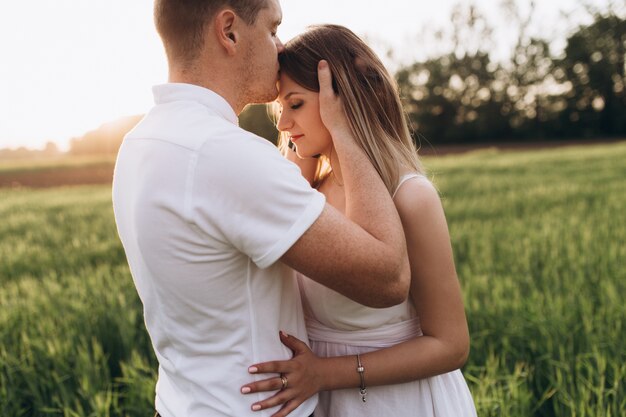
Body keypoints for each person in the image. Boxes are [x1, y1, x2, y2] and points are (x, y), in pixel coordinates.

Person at [112, 1, 412, 416]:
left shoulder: (139, 144)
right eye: (273, 29)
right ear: (229, 31)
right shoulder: (224, 154)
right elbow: (388, 278)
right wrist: (343, 129)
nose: (281, 45)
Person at [240, 25, 477, 417]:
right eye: (280, 108)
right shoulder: (309, 188)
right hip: (322, 401)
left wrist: (325, 374)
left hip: (398, 403)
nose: (281, 124)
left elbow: (451, 345)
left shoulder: (410, 196)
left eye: (295, 104)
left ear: (342, 101)